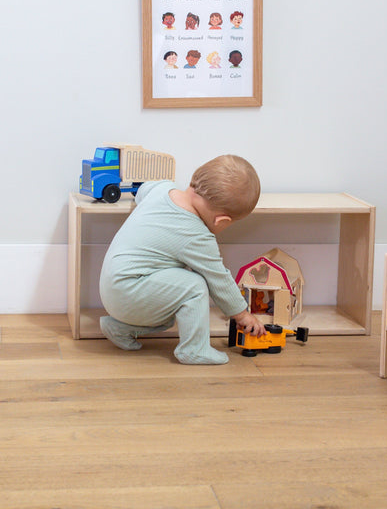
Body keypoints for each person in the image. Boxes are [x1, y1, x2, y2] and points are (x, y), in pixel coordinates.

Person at [99, 155, 265, 365]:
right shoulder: (197, 235)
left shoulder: (163, 189)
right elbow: (219, 279)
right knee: (195, 285)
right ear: (222, 220)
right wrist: (242, 315)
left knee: (174, 308)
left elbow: (142, 191)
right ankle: (194, 350)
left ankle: (119, 327)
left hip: (112, 287)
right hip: (129, 291)